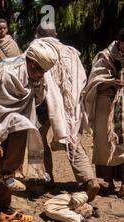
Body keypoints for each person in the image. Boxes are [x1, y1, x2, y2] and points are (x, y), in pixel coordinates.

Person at [0, 39, 59, 222]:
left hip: (8, 120)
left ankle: (3, 208)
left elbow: (31, 101)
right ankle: (5, 188)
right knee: (21, 128)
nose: (42, 75)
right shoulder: (5, 74)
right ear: (32, 63)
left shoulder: (32, 75)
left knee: (10, 154)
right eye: (40, 71)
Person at [34, 23, 99, 201]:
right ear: (56, 34)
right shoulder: (71, 52)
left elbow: (32, 76)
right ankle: (88, 179)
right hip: (69, 105)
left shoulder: (37, 48)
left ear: (38, 34)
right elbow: (82, 78)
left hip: (43, 105)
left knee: (38, 140)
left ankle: (43, 178)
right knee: (71, 140)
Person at [84, 28, 124, 198]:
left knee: (123, 143)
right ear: (119, 42)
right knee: (106, 144)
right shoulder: (104, 56)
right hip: (105, 106)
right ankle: (109, 184)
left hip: (123, 107)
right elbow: (94, 82)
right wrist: (111, 82)